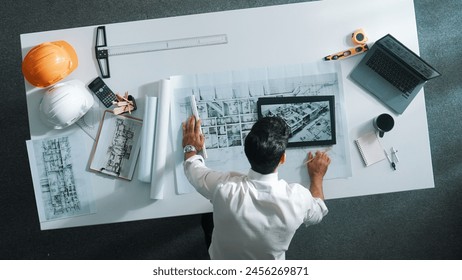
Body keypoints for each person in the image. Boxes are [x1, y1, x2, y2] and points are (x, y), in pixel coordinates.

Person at [182, 115, 331, 260]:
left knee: (207, 219)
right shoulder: (299, 199)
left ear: (247, 152)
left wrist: (190, 147)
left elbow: (193, 169)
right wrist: (317, 176)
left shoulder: (223, 187)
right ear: (283, 158)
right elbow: (318, 211)